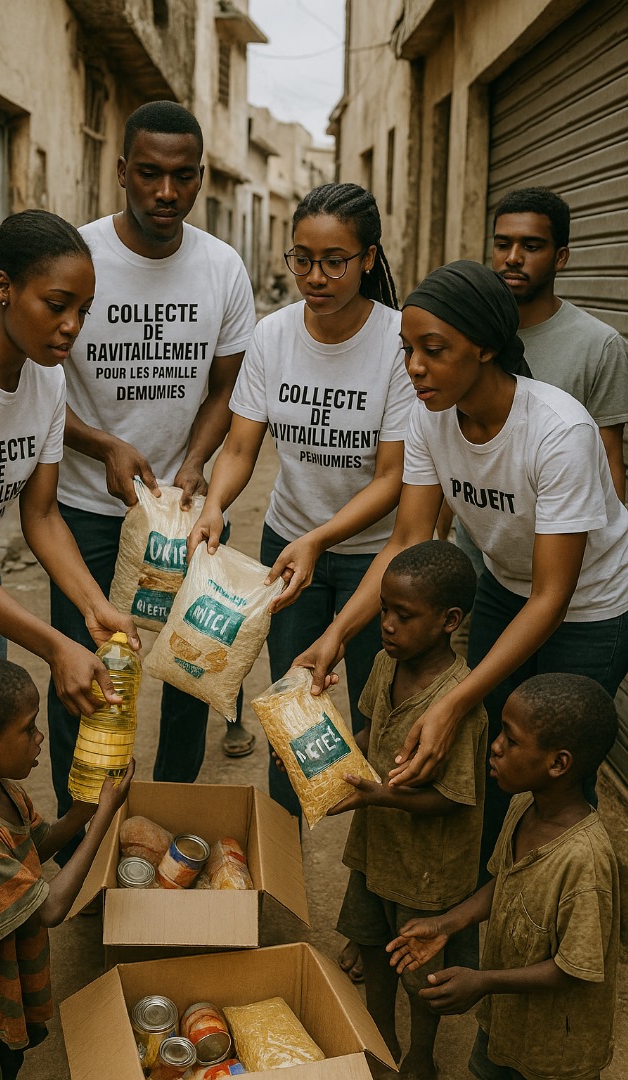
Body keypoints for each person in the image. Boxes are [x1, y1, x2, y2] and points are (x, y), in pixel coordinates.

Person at [293, 260, 628, 877]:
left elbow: (554, 596)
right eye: (408, 350)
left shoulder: (559, 433)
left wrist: (450, 704)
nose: (414, 367)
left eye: (434, 350)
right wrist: (335, 637)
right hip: (507, 588)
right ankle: (459, 910)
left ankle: (560, 907)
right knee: (492, 758)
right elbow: (406, 541)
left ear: (485, 348)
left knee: (551, 773)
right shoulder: (429, 417)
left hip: (589, 610)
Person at [0, 210, 138, 1046]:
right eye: (55, 305)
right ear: (3, 290)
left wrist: (93, 610)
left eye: (82, 309)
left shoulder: (45, 380)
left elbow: (40, 517)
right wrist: (54, 642)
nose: (71, 326)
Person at [47, 99, 256, 857]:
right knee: (84, 669)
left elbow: (228, 387)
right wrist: (100, 443)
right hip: (86, 510)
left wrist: (196, 464)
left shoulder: (221, 266)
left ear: (199, 177)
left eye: (183, 176)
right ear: (123, 171)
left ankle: (161, 821)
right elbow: (39, 380)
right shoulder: (79, 257)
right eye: (149, 173)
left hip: (184, 512)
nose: (166, 192)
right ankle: (82, 826)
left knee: (187, 674)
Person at [188, 182, 413, 824]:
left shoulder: (399, 343)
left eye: (335, 261)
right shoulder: (275, 334)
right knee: (291, 708)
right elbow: (240, 448)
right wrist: (215, 502)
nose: (315, 276)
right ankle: (282, 863)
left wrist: (324, 539)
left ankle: (375, 860)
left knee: (378, 714)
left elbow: (393, 476)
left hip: (376, 557)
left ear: (369, 258)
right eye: (302, 260)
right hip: (288, 545)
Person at [387, 673, 620, 1080]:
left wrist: (482, 982)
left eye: (511, 741)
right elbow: (506, 884)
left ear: (558, 763)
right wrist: (446, 924)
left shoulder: (584, 861)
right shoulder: (524, 807)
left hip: (556, 1055)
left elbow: (574, 968)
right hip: (505, 1027)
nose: (495, 746)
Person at [0, 656, 134, 1079]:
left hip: (2, 992)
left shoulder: (6, 794)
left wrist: (82, 812)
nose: (40, 738)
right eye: (28, 728)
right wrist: (104, 819)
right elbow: (50, 909)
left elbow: (35, 847)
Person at [326, 541, 486, 1079]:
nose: (387, 625)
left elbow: (454, 798)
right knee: (373, 948)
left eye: (404, 615)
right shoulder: (382, 663)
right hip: (376, 850)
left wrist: (381, 796)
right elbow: (371, 731)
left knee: (420, 972)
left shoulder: (458, 700)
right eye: (384, 609)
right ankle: (381, 1038)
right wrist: (324, 759)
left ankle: (420, 1055)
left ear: (449, 621)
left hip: (428, 870)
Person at [493, 186, 628, 501]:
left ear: (560, 257)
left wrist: (615, 547)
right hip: (478, 540)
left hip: (562, 536)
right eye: (503, 244)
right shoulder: (468, 334)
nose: (512, 258)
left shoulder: (600, 345)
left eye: (531, 245)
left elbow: (607, 460)